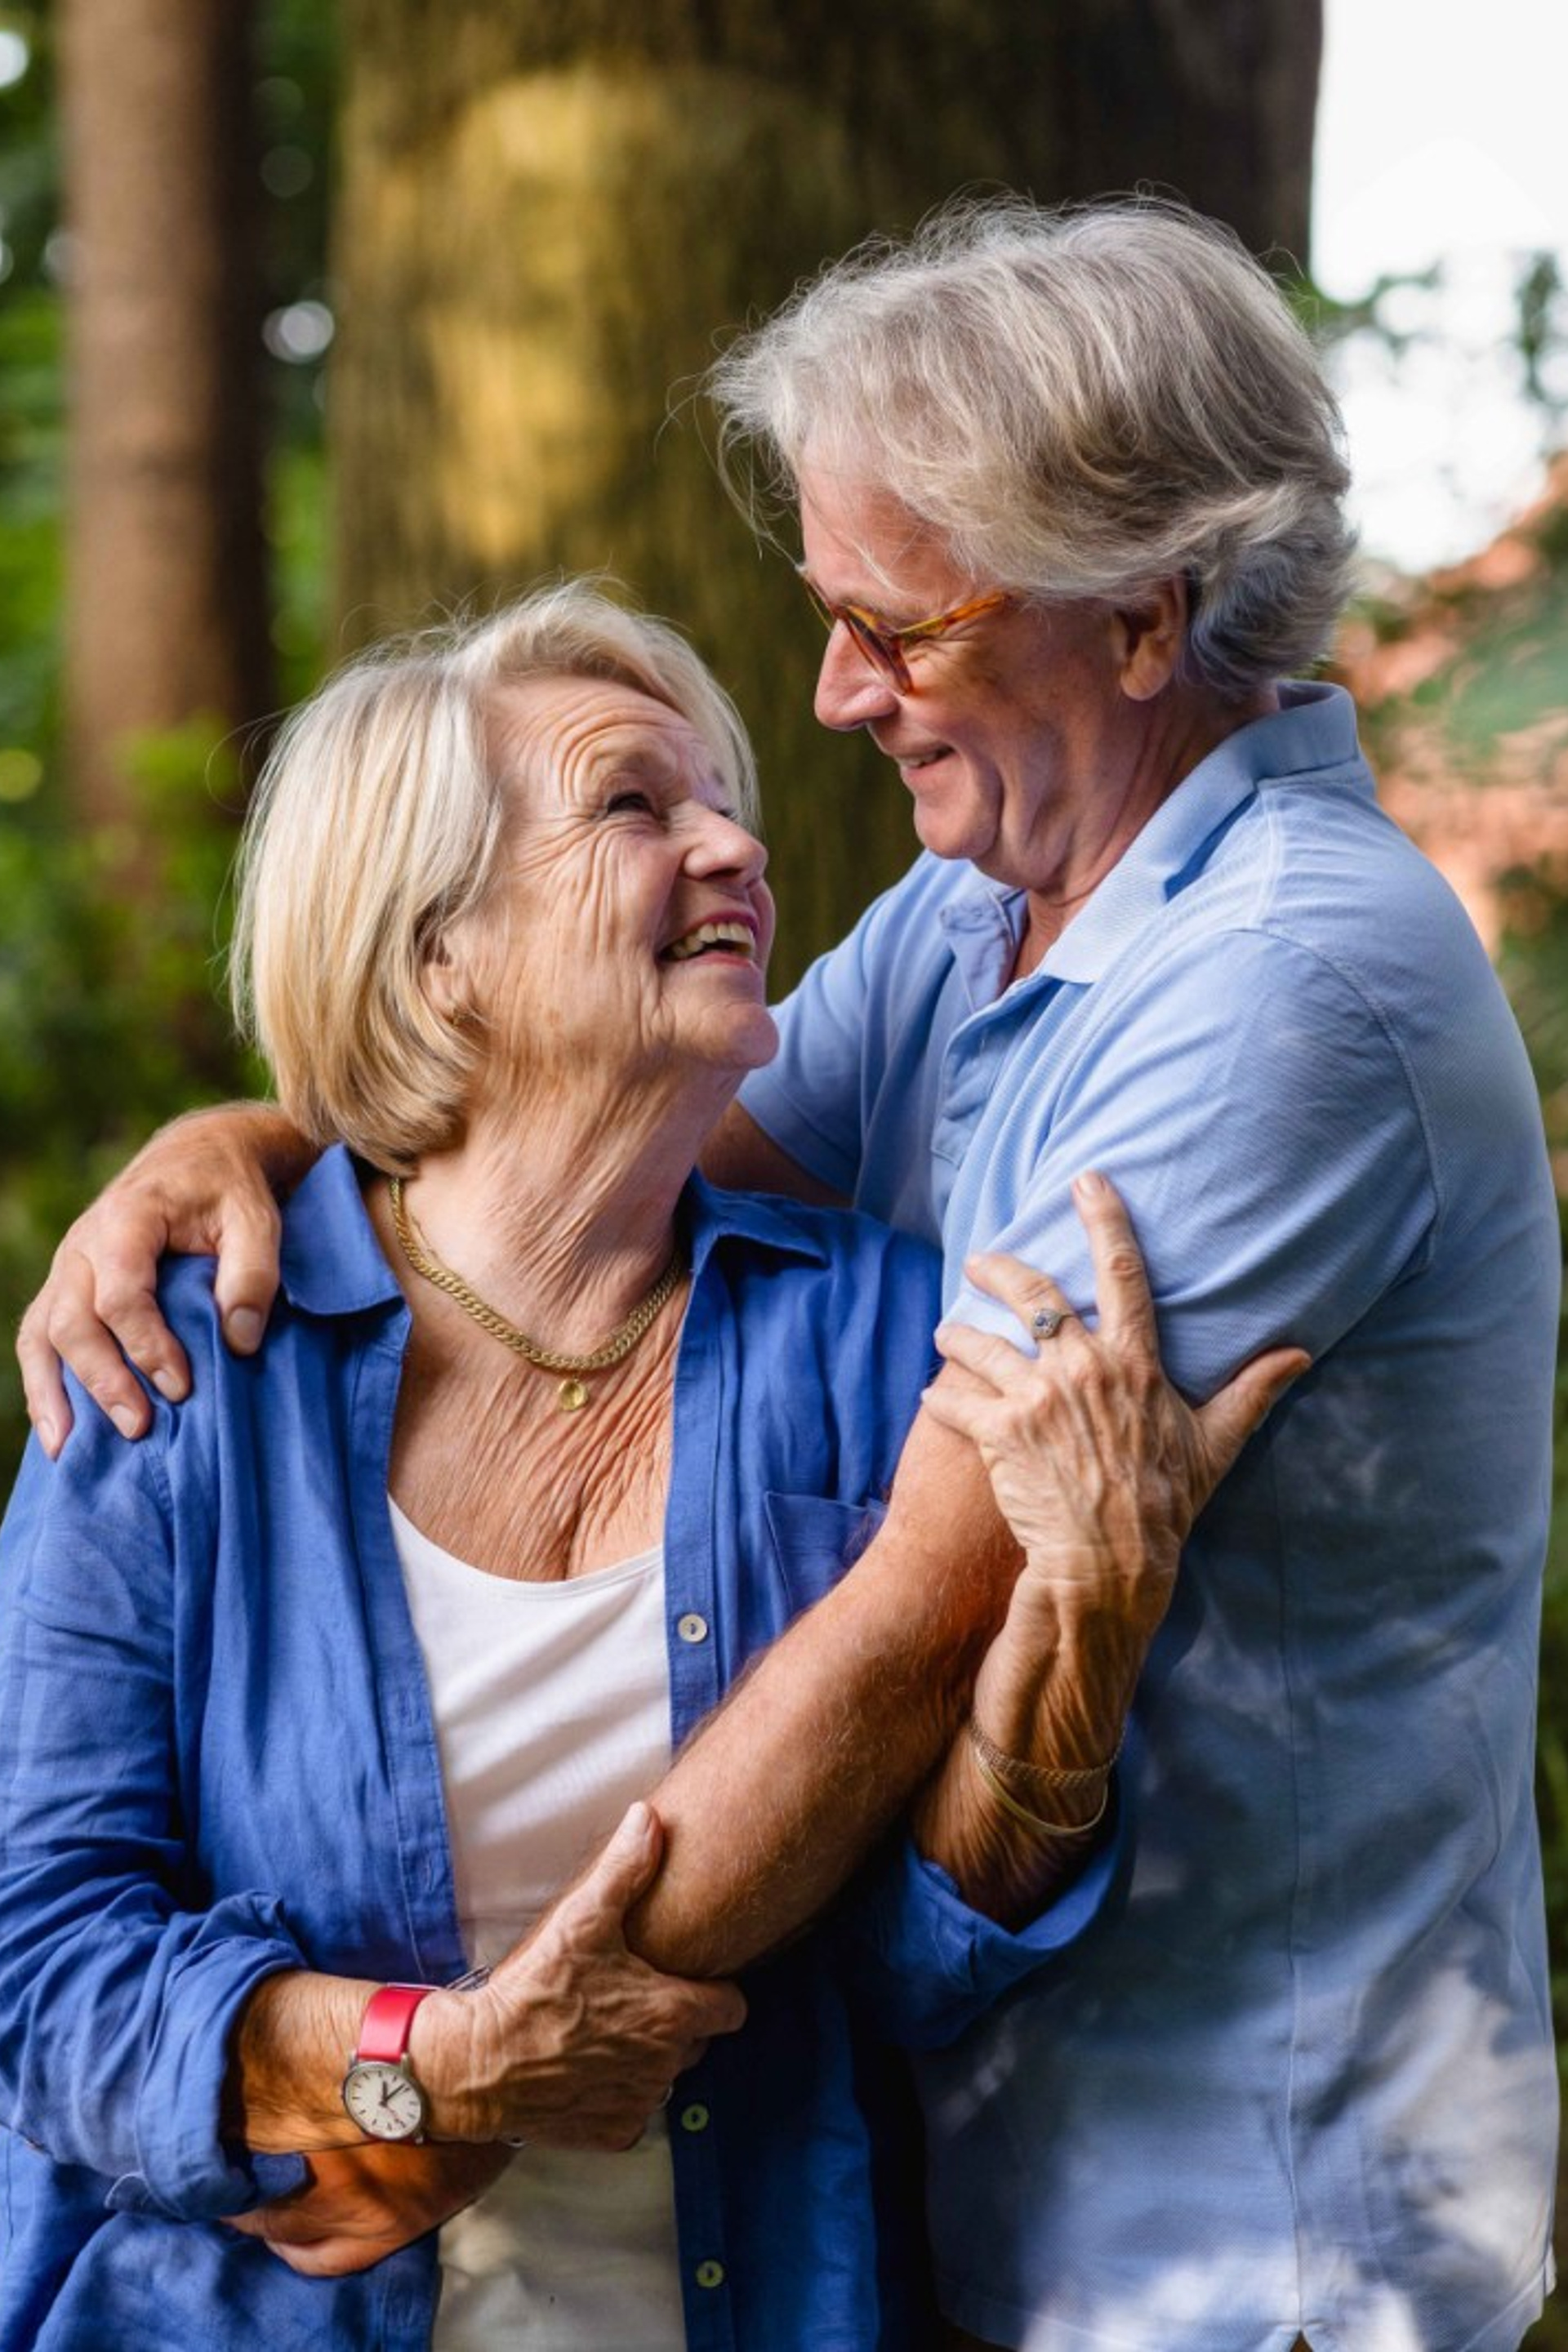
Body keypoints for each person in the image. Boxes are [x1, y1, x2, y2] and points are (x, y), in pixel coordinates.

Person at [18, 196, 1560, 2351]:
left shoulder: (1281, 983)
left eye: (900, 628)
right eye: (829, 621)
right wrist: (251, 1141)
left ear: (1142, 618)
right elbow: (584, 1164)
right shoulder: (979, 924)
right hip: (996, 2215)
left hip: (1257, 2218)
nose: (835, 702)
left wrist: (437, 2102)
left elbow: (928, 1605)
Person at [0, 584, 1284, 2350]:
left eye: (720, 799)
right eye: (634, 806)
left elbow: (914, 1974)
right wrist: (428, 2075)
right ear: (433, 945)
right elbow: (44, 1973)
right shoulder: (181, 1365)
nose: (737, 844)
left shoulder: (879, 1341)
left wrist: (1085, 1636)